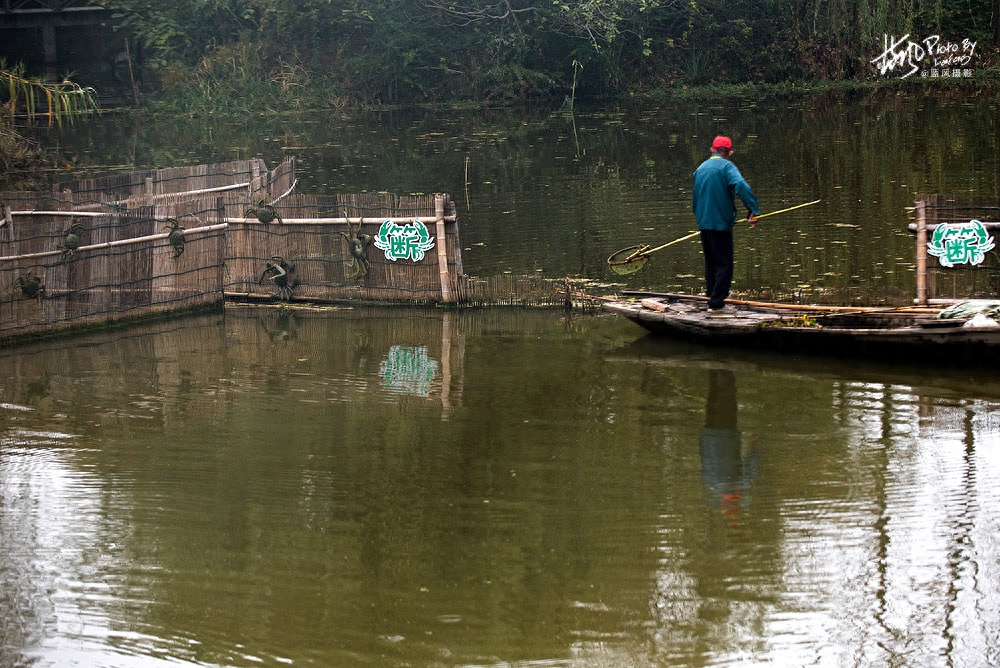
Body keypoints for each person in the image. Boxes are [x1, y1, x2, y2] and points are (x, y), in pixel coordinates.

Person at [692, 136, 760, 310]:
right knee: (724, 263)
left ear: (712, 150)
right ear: (730, 153)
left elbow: (695, 199)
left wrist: (700, 218)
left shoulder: (700, 169)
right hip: (721, 223)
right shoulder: (727, 166)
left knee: (711, 262)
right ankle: (717, 303)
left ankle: (711, 296)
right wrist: (753, 209)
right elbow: (741, 185)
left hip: (704, 223)